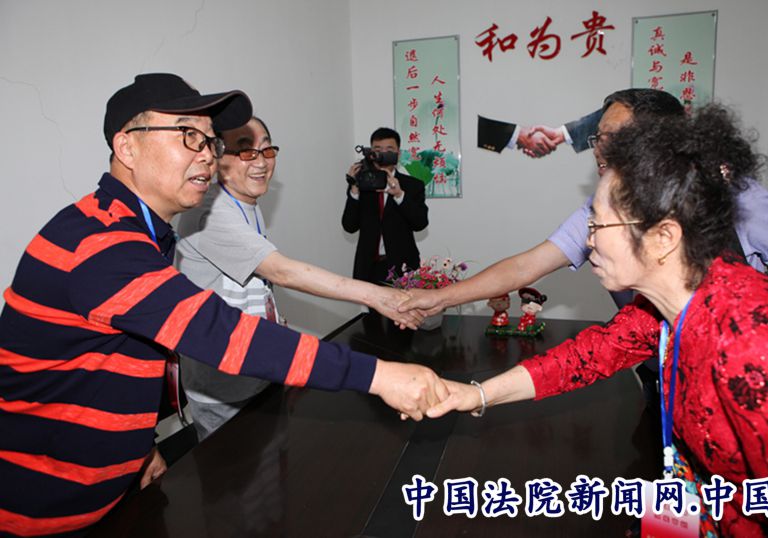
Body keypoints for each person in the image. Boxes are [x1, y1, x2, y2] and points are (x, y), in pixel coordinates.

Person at [0, 73, 446, 536]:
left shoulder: (141, 232)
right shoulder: (101, 243)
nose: (207, 155)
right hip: (44, 511)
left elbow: (107, 358)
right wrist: (379, 376)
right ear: (127, 147)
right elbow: (224, 333)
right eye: (188, 136)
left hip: (107, 489)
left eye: (210, 141)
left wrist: (139, 446)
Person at [427, 107, 768, 537]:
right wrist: (475, 395)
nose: (588, 240)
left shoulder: (756, 347)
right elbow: (584, 358)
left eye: (598, 224)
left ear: (663, 237)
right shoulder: (670, 308)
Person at [401, 89, 768, 321]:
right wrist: (440, 297)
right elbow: (526, 267)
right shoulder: (603, 211)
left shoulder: (733, 196)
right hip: (660, 371)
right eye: (598, 137)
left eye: (614, 137)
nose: (598, 149)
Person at [176, 116, 423, 440]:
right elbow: (281, 271)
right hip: (223, 386)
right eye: (246, 151)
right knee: (233, 471)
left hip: (256, 369)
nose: (260, 162)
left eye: (267, 150)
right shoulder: (210, 213)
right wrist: (377, 295)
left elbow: (249, 281)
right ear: (217, 154)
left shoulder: (245, 200)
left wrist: (273, 318)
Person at [342, 127, 429, 286]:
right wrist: (354, 189)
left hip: (403, 267)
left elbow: (420, 223)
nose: (382, 155)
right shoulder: (362, 184)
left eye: (389, 150)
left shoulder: (413, 185)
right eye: (377, 150)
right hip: (368, 268)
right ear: (371, 153)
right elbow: (349, 226)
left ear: (398, 154)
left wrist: (399, 195)